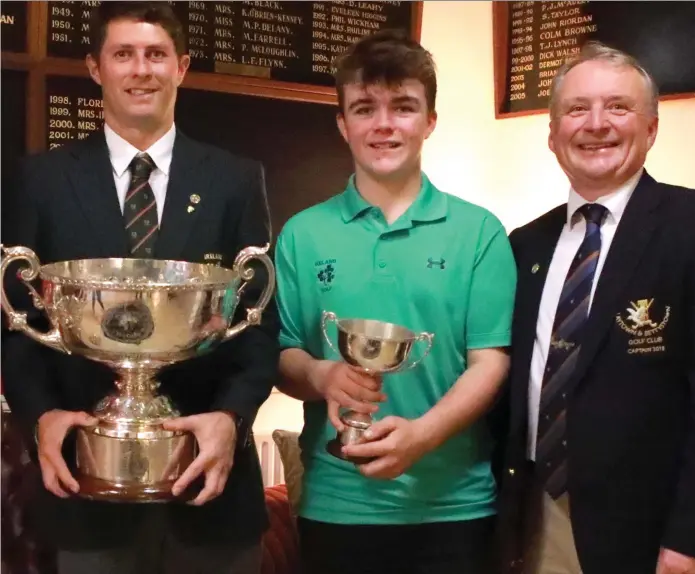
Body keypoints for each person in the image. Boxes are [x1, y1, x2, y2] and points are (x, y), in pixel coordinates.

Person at [0, 3, 279, 573]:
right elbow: (18, 324)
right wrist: (41, 417)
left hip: (212, 490)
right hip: (86, 486)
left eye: (156, 55)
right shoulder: (40, 180)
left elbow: (258, 327)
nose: (141, 70)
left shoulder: (235, 179)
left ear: (181, 67)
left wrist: (231, 420)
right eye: (123, 54)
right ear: (95, 68)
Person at [274, 29, 516, 574]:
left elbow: (490, 361)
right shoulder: (300, 235)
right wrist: (322, 376)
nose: (384, 124)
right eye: (364, 108)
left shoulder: (479, 233)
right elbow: (284, 356)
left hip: (455, 507)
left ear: (430, 121)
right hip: (338, 506)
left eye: (403, 107)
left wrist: (421, 437)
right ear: (343, 124)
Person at [497, 41, 695, 574]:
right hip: (535, 517)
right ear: (553, 136)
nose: (596, 124)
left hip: (653, 533)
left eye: (618, 107)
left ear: (650, 128)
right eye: (577, 109)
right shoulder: (525, 244)